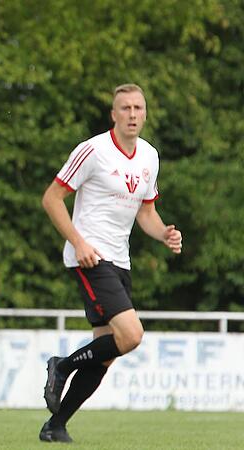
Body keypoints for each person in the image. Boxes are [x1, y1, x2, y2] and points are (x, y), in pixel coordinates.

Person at [39, 83, 182, 443]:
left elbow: (146, 213)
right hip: (90, 257)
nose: (132, 114)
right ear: (114, 114)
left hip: (121, 260)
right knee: (131, 335)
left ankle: (55, 426)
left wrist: (164, 233)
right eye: (125, 108)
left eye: (138, 108)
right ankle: (62, 366)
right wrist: (78, 243)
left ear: (145, 113)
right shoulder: (93, 150)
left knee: (105, 353)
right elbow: (52, 198)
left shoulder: (149, 156)